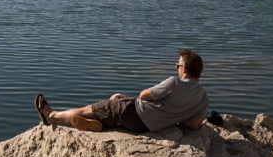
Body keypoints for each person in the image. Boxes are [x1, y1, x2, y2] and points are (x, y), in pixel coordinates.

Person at [35, 48, 209, 132]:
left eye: (178, 65)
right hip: (144, 127)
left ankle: (52, 117)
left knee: (89, 109)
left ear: (184, 69)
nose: (177, 68)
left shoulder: (174, 83)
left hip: (134, 112)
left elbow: (144, 95)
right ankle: (100, 124)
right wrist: (174, 117)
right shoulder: (203, 98)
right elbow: (194, 124)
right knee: (116, 98)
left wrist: (153, 101)